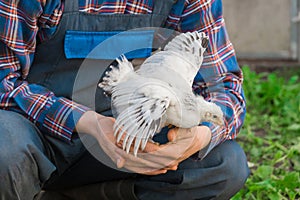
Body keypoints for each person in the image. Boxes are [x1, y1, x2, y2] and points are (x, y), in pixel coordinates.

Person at [0, 0, 250, 199]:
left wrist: (198, 136)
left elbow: (224, 88)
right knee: (4, 149)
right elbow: (3, 81)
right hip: (39, 136)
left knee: (224, 165)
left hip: (134, 141)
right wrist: (88, 122)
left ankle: (78, 195)